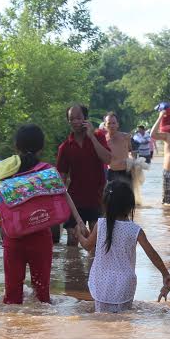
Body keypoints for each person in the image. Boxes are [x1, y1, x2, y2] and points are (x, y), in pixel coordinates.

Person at [0, 124, 86, 304]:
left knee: (11, 297)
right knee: (42, 296)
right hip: (40, 236)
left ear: (16, 146)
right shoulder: (46, 171)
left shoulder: (6, 171)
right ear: (41, 147)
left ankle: (11, 329)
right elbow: (64, 194)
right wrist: (79, 221)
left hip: (13, 237)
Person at [78, 180, 170, 313]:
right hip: (124, 284)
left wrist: (79, 234)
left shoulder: (101, 224)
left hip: (101, 283)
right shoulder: (134, 230)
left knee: (102, 322)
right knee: (124, 323)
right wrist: (165, 274)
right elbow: (152, 254)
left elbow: (87, 246)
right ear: (130, 206)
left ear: (105, 203)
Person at [57, 104, 112, 246]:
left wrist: (92, 137)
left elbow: (108, 159)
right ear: (68, 121)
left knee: (96, 245)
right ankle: (73, 269)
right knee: (72, 243)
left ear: (86, 119)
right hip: (75, 201)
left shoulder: (98, 136)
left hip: (97, 199)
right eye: (71, 119)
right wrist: (58, 204)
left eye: (79, 118)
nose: (75, 122)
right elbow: (61, 180)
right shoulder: (65, 147)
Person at [103, 112, 132, 182]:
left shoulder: (126, 137)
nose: (111, 126)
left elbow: (130, 151)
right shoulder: (103, 140)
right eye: (109, 123)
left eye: (114, 123)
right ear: (105, 126)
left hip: (126, 172)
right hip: (111, 172)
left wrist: (132, 160)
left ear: (117, 124)